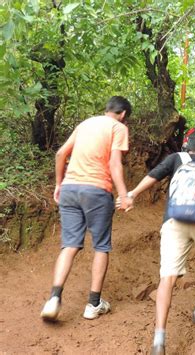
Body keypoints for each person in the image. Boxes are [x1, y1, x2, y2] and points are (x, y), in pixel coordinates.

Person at [125, 132, 195, 355]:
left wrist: (133, 193)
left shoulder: (176, 158)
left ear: (189, 149)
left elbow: (154, 176)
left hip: (173, 222)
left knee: (167, 278)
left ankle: (159, 338)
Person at [40, 96, 134, 322]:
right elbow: (114, 163)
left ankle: (54, 298)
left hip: (70, 189)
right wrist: (123, 195)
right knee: (101, 246)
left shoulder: (84, 124)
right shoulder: (118, 127)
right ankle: (93, 304)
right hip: (97, 190)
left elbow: (61, 154)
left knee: (70, 245)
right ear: (122, 114)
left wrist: (58, 184)